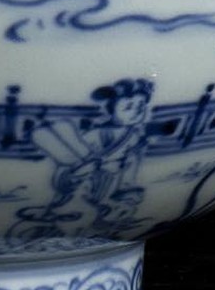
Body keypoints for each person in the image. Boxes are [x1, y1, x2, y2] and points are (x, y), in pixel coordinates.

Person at [10, 78, 156, 240]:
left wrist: (127, 193)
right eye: (128, 107)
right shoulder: (96, 134)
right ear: (111, 109)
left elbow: (130, 166)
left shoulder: (133, 136)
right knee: (79, 209)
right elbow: (74, 162)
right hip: (86, 180)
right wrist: (87, 168)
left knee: (103, 212)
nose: (136, 112)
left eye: (141, 107)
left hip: (109, 182)